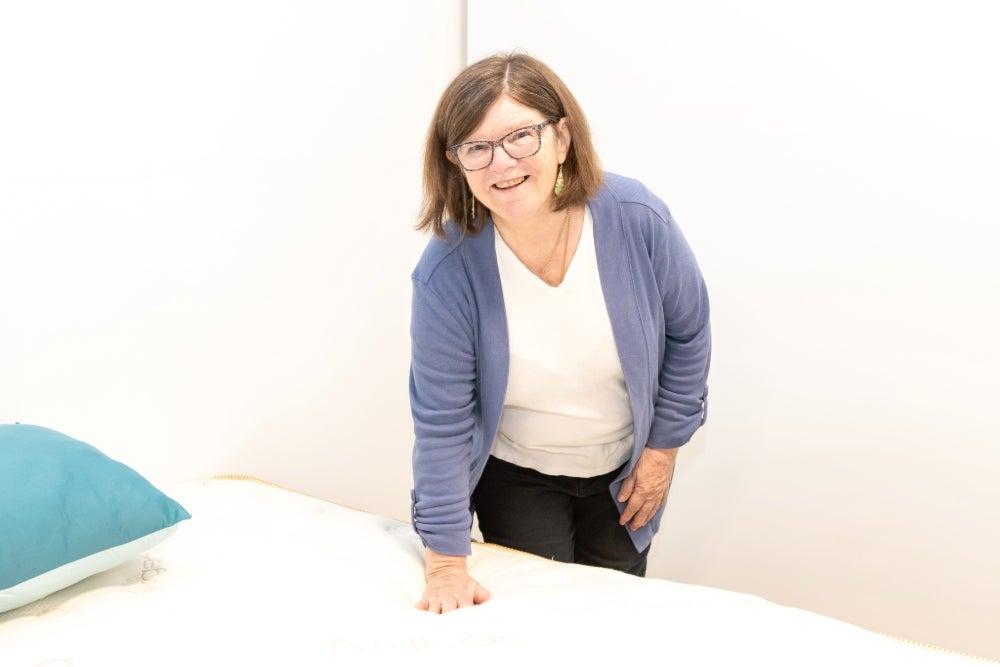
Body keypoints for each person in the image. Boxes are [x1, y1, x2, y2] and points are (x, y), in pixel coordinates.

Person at [409, 51, 711, 614]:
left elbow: (688, 336)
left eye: (521, 136)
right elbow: (441, 424)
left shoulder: (636, 219)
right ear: (457, 164)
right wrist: (446, 563)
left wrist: (662, 450)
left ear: (563, 137)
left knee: (612, 616)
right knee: (539, 620)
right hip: (518, 475)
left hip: (625, 470)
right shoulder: (447, 271)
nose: (502, 164)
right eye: (477, 148)